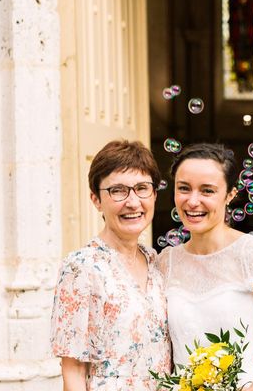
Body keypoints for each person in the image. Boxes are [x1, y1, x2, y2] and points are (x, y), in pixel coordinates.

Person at [157, 143, 253, 391]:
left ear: (230, 194)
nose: (192, 201)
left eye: (207, 191)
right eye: (184, 188)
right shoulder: (165, 262)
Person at [50, 139, 171, 390]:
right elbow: (73, 370)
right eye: (117, 190)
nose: (133, 202)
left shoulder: (155, 262)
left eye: (142, 188)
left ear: (154, 195)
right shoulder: (81, 267)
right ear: (96, 199)